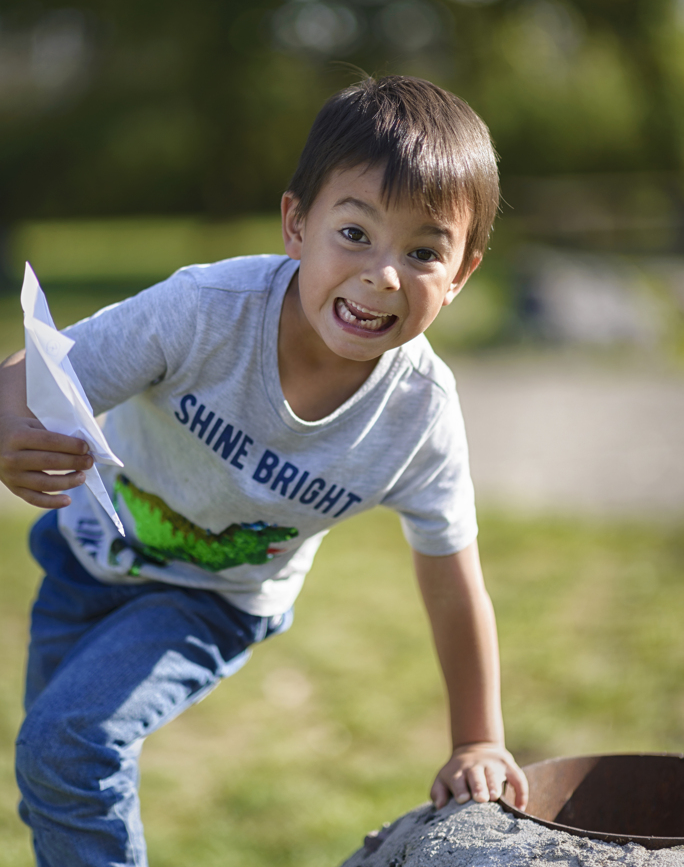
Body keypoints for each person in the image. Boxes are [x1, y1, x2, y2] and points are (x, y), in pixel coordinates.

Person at [0, 75, 528, 867]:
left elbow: (455, 579)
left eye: (423, 252)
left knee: (67, 745)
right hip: (83, 562)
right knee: (54, 774)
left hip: (214, 602)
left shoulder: (419, 416)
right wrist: (7, 422)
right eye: (355, 233)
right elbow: (40, 374)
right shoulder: (205, 309)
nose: (385, 274)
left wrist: (479, 737)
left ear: (459, 276)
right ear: (297, 224)